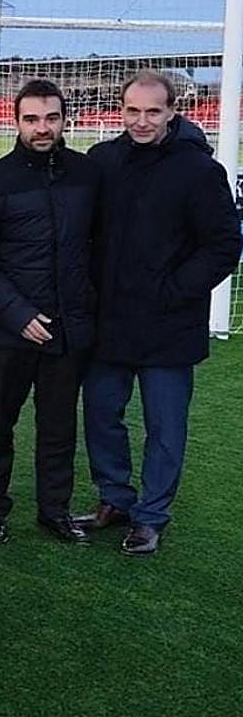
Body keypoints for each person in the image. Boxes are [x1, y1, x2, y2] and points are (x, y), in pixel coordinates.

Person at [77, 70, 240, 555]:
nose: (141, 121)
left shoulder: (198, 170)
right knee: (102, 415)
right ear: (120, 110)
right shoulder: (102, 160)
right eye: (132, 110)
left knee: (165, 427)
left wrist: (174, 290)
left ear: (172, 111)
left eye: (152, 111)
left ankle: (151, 516)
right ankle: (115, 500)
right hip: (109, 320)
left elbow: (224, 244)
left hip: (169, 324)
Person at [0, 79, 99, 546]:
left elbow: (99, 248)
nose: (42, 128)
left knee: (59, 427)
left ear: (65, 119)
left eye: (51, 118)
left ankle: (54, 510)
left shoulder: (87, 175)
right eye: (32, 119)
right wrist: (19, 314)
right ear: (16, 121)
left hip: (68, 329)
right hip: (8, 332)